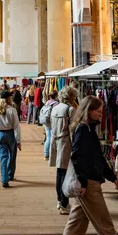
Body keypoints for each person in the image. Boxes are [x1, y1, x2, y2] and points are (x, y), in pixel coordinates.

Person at [57, 96, 118, 235]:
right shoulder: (84, 129)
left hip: (88, 183)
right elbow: (78, 156)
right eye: (98, 111)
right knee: (106, 227)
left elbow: (97, 157)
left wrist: (112, 177)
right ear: (88, 111)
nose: (101, 114)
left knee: (75, 227)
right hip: (89, 185)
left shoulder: (88, 128)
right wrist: (83, 182)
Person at [50, 85, 77, 214]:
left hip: (56, 141)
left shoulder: (55, 108)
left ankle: (60, 201)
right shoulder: (70, 110)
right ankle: (64, 203)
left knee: (59, 172)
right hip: (66, 143)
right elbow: (72, 131)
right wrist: (75, 147)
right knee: (65, 174)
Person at [0, 91, 21, 188]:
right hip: (11, 134)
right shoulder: (12, 110)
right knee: (12, 156)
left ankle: (4, 180)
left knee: (3, 158)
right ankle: (10, 175)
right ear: (9, 98)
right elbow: (16, 127)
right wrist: (18, 141)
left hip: (0, 134)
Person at [40, 90, 59, 161]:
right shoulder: (56, 104)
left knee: (48, 138)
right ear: (56, 96)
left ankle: (46, 154)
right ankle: (52, 154)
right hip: (53, 122)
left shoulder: (47, 102)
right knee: (52, 138)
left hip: (46, 122)